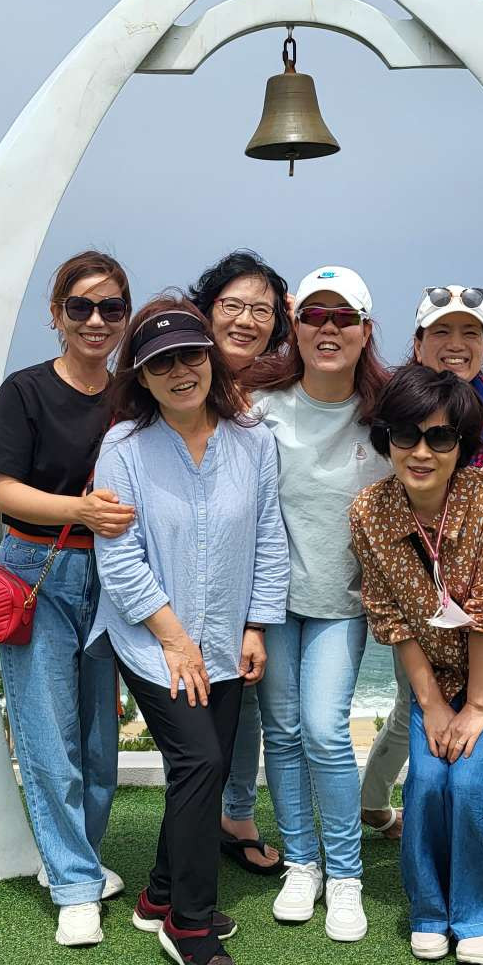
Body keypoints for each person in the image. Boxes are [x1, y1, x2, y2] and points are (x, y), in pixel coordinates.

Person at [91, 297, 289, 965]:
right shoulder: (123, 449)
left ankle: (160, 894)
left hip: (228, 637)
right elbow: (119, 560)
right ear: (141, 378)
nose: (181, 372)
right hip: (153, 642)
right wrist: (175, 641)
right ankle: (190, 924)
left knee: (204, 767)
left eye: (191, 357)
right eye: (161, 364)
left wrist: (256, 626)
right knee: (201, 761)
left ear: (211, 360)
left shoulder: (253, 441)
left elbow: (268, 537)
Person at [349, 364, 483, 965]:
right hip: (436, 672)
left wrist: (476, 707)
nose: (421, 452)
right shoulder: (369, 512)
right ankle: (430, 909)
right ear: (385, 438)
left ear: (463, 445)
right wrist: (434, 704)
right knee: (427, 782)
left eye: (440, 438)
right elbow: (391, 616)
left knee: (470, 783)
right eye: (406, 435)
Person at [0, 250, 134, 947]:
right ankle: (75, 884)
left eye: (111, 307)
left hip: (114, 572)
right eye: (81, 307)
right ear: (57, 315)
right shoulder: (25, 391)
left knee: (100, 739)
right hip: (36, 569)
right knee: (48, 732)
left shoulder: (132, 393)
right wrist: (80, 509)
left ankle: (77, 858)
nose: (96, 320)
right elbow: (4, 490)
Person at [360, 283, 483, 842]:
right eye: (441, 331)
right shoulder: (396, 395)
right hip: (407, 568)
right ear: (417, 343)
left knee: (452, 715)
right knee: (416, 701)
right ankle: (376, 801)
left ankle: (421, 804)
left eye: (471, 333)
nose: (456, 343)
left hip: (477, 570)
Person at [251, 266, 391, 942]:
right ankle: (300, 863)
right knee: (281, 732)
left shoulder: (388, 415)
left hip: (343, 601)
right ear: (295, 325)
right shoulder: (260, 406)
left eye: (343, 317)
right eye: (314, 316)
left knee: (324, 731)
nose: (328, 329)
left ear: (366, 330)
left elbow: (452, 450)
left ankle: (345, 875)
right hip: (272, 602)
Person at [189, 249, 294, 875]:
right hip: (181, 571)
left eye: (262, 310)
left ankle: (236, 814)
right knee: (189, 702)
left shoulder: (278, 384)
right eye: (232, 305)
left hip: (250, 575)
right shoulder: (177, 370)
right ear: (207, 309)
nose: (246, 320)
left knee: (244, 700)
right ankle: (197, 819)